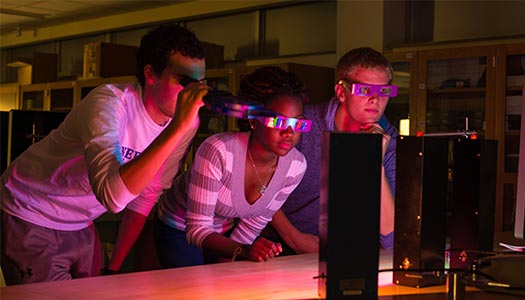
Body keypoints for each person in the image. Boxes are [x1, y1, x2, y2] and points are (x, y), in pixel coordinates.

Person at [0, 24, 209, 284]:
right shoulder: (109, 103)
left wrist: (115, 267)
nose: (195, 95)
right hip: (30, 208)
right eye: (186, 83)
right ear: (150, 75)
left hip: (81, 221)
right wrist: (177, 129)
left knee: (97, 291)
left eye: (201, 84)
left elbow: (146, 196)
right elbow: (113, 196)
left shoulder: (185, 124)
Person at [154, 66, 310, 267]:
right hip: (178, 226)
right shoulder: (218, 151)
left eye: (297, 123)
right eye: (277, 121)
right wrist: (241, 251)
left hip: (224, 229)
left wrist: (230, 260)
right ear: (254, 121)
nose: (289, 132)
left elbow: (256, 221)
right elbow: (197, 229)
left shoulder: (296, 166)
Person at [260, 47, 398, 254]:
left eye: (384, 92)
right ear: (341, 92)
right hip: (279, 247)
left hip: (342, 254)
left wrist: (373, 159)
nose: (375, 100)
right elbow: (257, 182)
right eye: (365, 90)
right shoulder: (302, 123)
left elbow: (389, 238)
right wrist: (294, 238)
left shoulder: (388, 139)